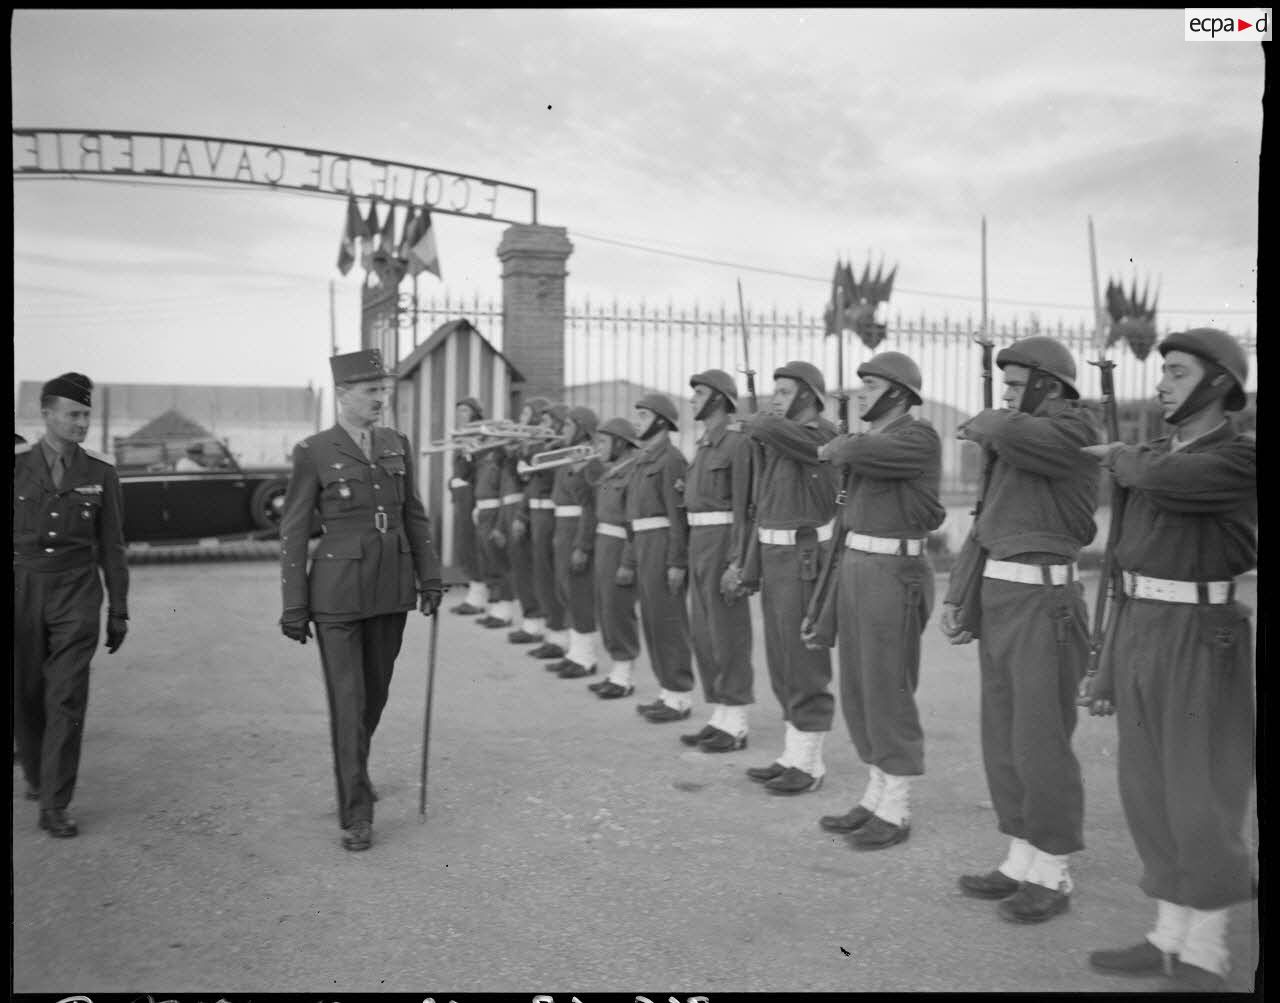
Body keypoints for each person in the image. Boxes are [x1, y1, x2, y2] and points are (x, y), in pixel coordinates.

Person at [1080, 329, 1255, 991]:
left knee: (1200, 793)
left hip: (1202, 632)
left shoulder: (1238, 458)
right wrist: (1107, 666)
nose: (1161, 384)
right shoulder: (1147, 454)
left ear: (1216, 384)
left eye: (1177, 373)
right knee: (1148, 790)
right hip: (1143, 624)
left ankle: (1207, 951)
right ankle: (1167, 934)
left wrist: (1125, 456)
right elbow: (1127, 563)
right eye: (1163, 373)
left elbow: (1162, 477)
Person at [939, 335, 1099, 923]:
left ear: (1048, 385)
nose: (1006, 396)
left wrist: (992, 418)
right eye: (1002, 384)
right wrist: (960, 597)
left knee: (1040, 741)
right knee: (1004, 739)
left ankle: (1053, 870)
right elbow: (987, 524)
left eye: (1014, 384)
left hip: (1044, 600)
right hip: (1002, 594)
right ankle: (1019, 857)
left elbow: (997, 428)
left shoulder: (1073, 431)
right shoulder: (1014, 439)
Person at [278, 349, 444, 852]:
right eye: (371, 390)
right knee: (348, 704)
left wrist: (429, 578)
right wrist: (294, 603)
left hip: (390, 586)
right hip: (338, 593)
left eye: (383, 389)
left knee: (373, 697)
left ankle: (357, 772)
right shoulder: (314, 451)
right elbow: (293, 531)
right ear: (344, 393)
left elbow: (413, 513)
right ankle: (357, 812)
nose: (380, 399)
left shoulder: (397, 444)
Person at [806, 352, 944, 849]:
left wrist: (841, 444)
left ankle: (898, 806)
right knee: (860, 688)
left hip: (895, 570)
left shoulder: (916, 435)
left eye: (870, 383)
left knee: (888, 686)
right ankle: (874, 794)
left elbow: (847, 453)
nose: (860, 391)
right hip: (859, 564)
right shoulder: (871, 442)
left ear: (899, 392)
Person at [13, 372, 129, 838]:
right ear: (47, 413)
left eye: (87, 414)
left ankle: (56, 802)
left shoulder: (100, 472)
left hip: (77, 590)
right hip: (22, 585)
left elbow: (113, 546)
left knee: (66, 693)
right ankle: (39, 777)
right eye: (74, 414)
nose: (82, 422)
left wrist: (119, 608)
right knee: (26, 694)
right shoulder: (18, 464)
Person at [734, 361, 840, 794]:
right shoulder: (782, 440)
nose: (774, 400)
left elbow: (777, 432)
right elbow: (762, 509)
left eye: (783, 391)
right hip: (775, 554)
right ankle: (792, 753)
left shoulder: (821, 437)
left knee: (803, 659)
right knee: (781, 660)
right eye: (773, 391)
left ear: (807, 395)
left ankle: (811, 763)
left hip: (803, 556)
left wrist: (760, 422)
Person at [679, 370, 755, 750]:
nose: (692, 399)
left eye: (700, 393)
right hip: (698, 539)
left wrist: (737, 561)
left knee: (728, 632)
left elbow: (744, 507)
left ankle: (737, 720)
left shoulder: (737, 443)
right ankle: (720, 713)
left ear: (719, 398)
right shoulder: (706, 442)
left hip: (723, 540)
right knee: (704, 633)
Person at [619, 393, 695, 722]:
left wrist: (677, 561)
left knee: (669, 621)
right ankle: (667, 691)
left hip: (664, 545)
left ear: (661, 421)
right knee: (652, 620)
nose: (635, 421)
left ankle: (679, 695)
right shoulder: (642, 460)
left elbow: (678, 516)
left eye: (642, 415)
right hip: (644, 543)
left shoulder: (672, 460)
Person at [587, 417, 643, 699]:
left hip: (620, 546)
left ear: (620, 443)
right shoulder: (612, 472)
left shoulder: (633, 473)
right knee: (605, 608)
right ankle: (616, 671)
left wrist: (628, 562)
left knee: (618, 610)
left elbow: (633, 524)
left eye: (604, 442)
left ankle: (624, 676)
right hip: (605, 543)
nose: (598, 447)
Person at [549, 406, 605, 677]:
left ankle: (586, 657)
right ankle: (575, 651)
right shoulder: (568, 456)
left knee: (579, 592)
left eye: (569, 426)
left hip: (577, 527)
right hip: (563, 526)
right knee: (565, 589)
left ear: (582, 428)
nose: (563, 431)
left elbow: (591, 507)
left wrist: (583, 545)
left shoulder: (590, 461)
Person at [526, 402, 573, 661]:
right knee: (542, 577)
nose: (542, 427)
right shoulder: (547, 448)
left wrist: (549, 449)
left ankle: (559, 633)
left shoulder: (563, 450)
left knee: (553, 578)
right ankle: (551, 632)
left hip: (552, 514)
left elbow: (547, 479)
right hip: (539, 511)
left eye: (548, 422)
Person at [504, 397, 551, 646]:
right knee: (522, 567)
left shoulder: (544, 448)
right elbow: (518, 475)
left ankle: (539, 622)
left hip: (533, 512)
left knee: (535, 570)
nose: (520, 420)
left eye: (525, 414)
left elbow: (531, 482)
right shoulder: (526, 446)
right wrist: (513, 452)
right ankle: (531, 621)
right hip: (525, 509)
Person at [448, 397, 488, 615]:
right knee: (463, 545)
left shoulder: (479, 438)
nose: (460, 415)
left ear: (475, 414)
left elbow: (472, 470)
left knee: (472, 546)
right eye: (458, 410)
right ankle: (474, 592)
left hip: (471, 496)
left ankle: (478, 595)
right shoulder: (462, 437)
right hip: (461, 496)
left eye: (465, 411)